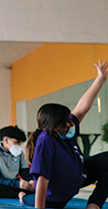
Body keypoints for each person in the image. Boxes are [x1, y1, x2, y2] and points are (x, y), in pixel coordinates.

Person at [22, 60, 108, 209]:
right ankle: (23, 197)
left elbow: (83, 107)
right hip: (55, 198)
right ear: (56, 127)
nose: (72, 123)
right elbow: (42, 179)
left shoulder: (64, 131)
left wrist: (100, 79)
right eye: (67, 121)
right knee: (28, 199)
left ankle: (94, 205)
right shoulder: (45, 140)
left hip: (76, 178)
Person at [0, 125, 33, 199]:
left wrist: (31, 181)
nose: (19, 145)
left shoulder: (19, 153)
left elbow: (25, 172)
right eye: (16, 142)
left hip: (14, 183)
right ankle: (20, 194)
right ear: (6, 140)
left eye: (20, 143)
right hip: (0, 184)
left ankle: (20, 194)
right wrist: (17, 184)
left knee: (33, 189)